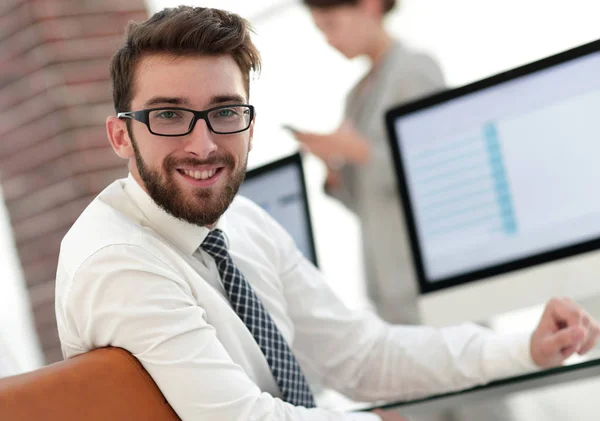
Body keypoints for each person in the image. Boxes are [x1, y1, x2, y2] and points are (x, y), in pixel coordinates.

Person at [54, 6, 600, 421]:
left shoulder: (242, 223)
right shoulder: (116, 260)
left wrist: (522, 346)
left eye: (224, 112)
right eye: (169, 115)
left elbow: (363, 355)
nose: (203, 143)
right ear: (121, 135)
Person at [293, 0, 445, 325]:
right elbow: (368, 202)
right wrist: (333, 167)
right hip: (386, 287)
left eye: (332, 25)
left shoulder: (414, 70)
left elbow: (437, 170)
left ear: (370, 6)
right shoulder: (355, 96)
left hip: (430, 278)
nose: (329, 40)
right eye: (321, 30)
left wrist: (358, 151)